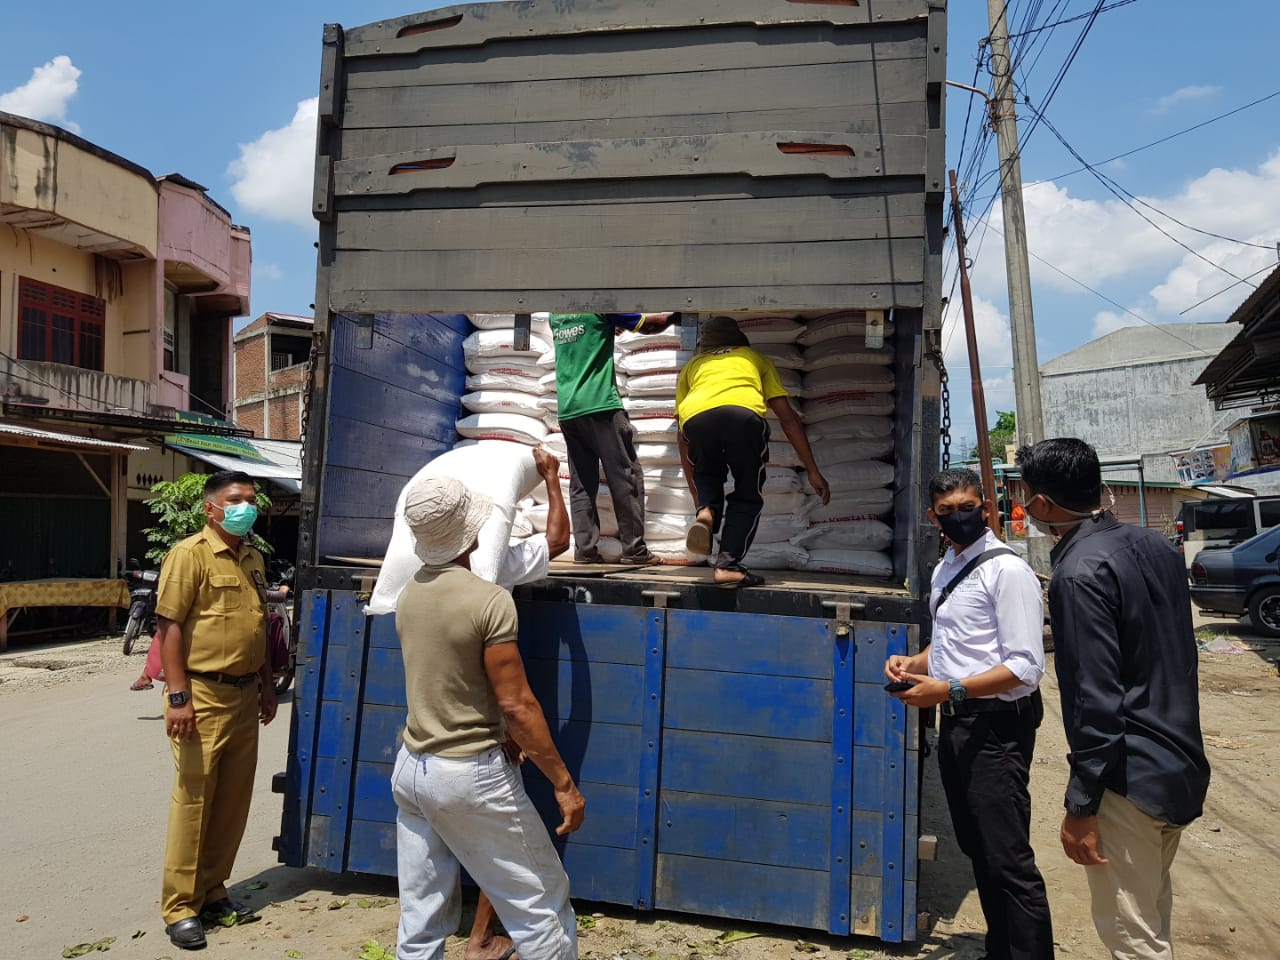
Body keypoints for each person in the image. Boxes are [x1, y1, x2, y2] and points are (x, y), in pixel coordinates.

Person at [1016, 439, 1210, 960]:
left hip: (1128, 779)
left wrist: (1081, 804)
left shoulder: (1078, 573)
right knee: (1150, 918)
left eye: (1023, 494)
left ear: (1041, 503)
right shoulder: (1156, 548)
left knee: (1133, 940)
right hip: (1179, 764)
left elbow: (1095, 700)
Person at [394, 474, 585, 960]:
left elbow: (453, 680)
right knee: (541, 906)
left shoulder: (410, 591)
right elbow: (517, 704)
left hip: (413, 767)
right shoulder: (489, 600)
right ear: (470, 531)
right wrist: (563, 784)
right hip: (468, 774)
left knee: (420, 916)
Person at [885, 467, 1054, 960]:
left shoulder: (1008, 572)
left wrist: (948, 690)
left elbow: (1024, 667)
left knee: (1008, 860)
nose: (958, 517)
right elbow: (955, 643)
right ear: (933, 516)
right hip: (960, 722)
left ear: (987, 508)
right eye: (947, 511)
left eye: (967, 508)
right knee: (979, 848)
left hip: (997, 727)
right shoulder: (947, 566)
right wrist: (914, 663)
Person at [154, 470, 278, 951]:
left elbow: (258, 626)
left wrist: (267, 685)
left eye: (251, 499)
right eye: (236, 499)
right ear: (211, 508)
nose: (247, 507)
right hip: (202, 695)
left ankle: (213, 891)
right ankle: (180, 907)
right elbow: (170, 627)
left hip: (246, 695)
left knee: (231, 800)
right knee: (194, 801)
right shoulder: (189, 555)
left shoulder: (253, 558)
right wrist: (178, 697)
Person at [464, 447, 569, 960]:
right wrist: (550, 478)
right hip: (486, 727)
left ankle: (454, 938)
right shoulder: (496, 568)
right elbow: (558, 541)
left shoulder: (417, 580)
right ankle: (482, 938)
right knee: (506, 839)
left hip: (430, 734)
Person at [674, 315, 830, 588]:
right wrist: (813, 471)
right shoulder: (755, 358)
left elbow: (682, 438)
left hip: (695, 420)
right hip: (742, 417)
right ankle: (727, 567)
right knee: (747, 494)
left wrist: (699, 499)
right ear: (738, 338)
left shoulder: (692, 366)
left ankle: (707, 513)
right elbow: (788, 419)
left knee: (707, 473)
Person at [549, 312, 675, 565]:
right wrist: (679, 315)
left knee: (581, 484)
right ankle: (634, 550)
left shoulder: (556, 315)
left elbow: (588, 334)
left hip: (568, 409)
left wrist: (609, 326)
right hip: (601, 406)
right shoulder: (600, 307)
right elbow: (650, 325)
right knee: (625, 478)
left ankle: (585, 551)